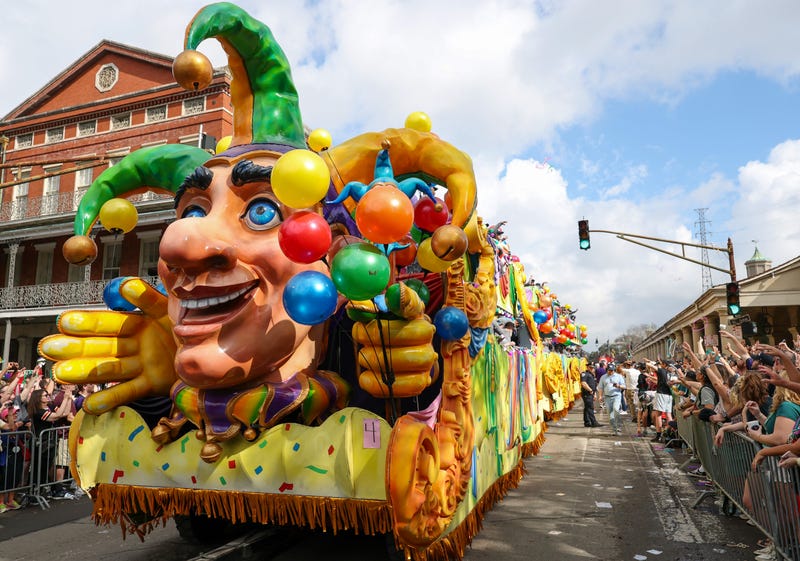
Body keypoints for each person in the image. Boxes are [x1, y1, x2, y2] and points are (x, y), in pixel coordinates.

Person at [598, 365, 625, 435]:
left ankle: (618, 427)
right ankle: (614, 429)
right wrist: (600, 396)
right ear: (607, 370)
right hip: (607, 397)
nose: (611, 372)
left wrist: (618, 386)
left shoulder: (619, 376)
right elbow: (600, 387)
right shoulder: (603, 377)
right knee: (610, 414)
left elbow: (624, 386)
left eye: (612, 370)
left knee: (616, 409)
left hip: (616, 396)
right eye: (609, 370)